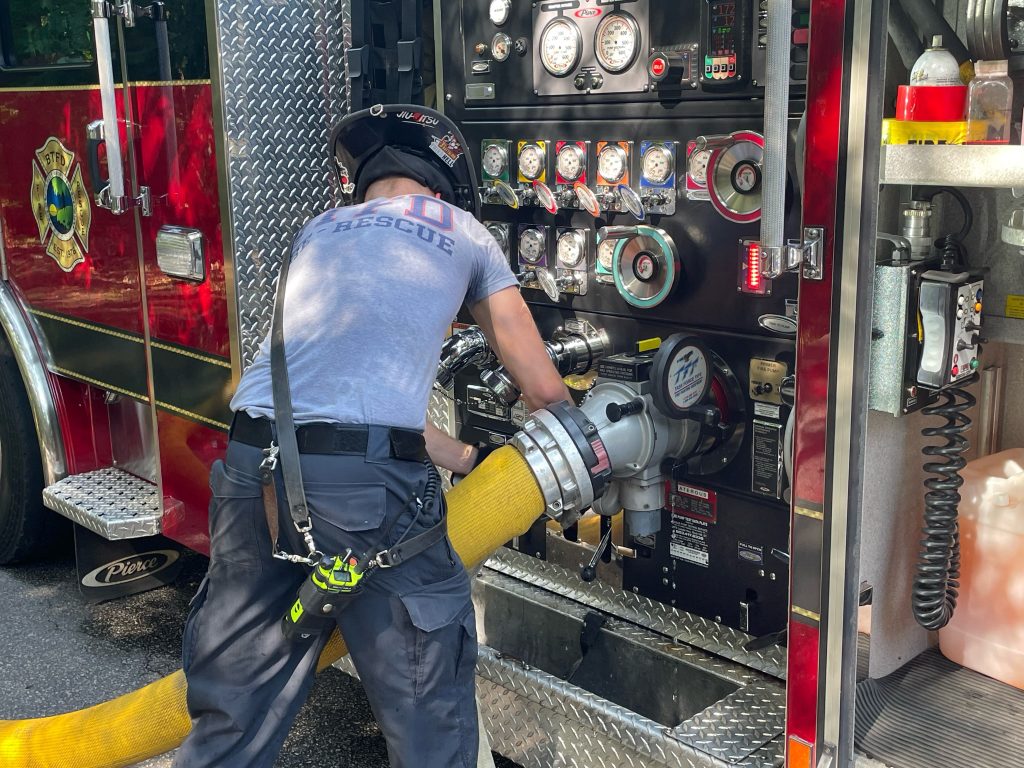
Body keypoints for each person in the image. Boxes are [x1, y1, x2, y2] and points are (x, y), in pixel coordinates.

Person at [174, 103, 570, 768]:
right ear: (442, 184)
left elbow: (345, 392)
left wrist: (470, 458)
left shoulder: (320, 231)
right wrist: (582, 447)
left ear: (363, 184)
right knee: (427, 714)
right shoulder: (464, 232)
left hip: (253, 466)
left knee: (234, 711)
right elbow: (543, 391)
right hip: (365, 497)